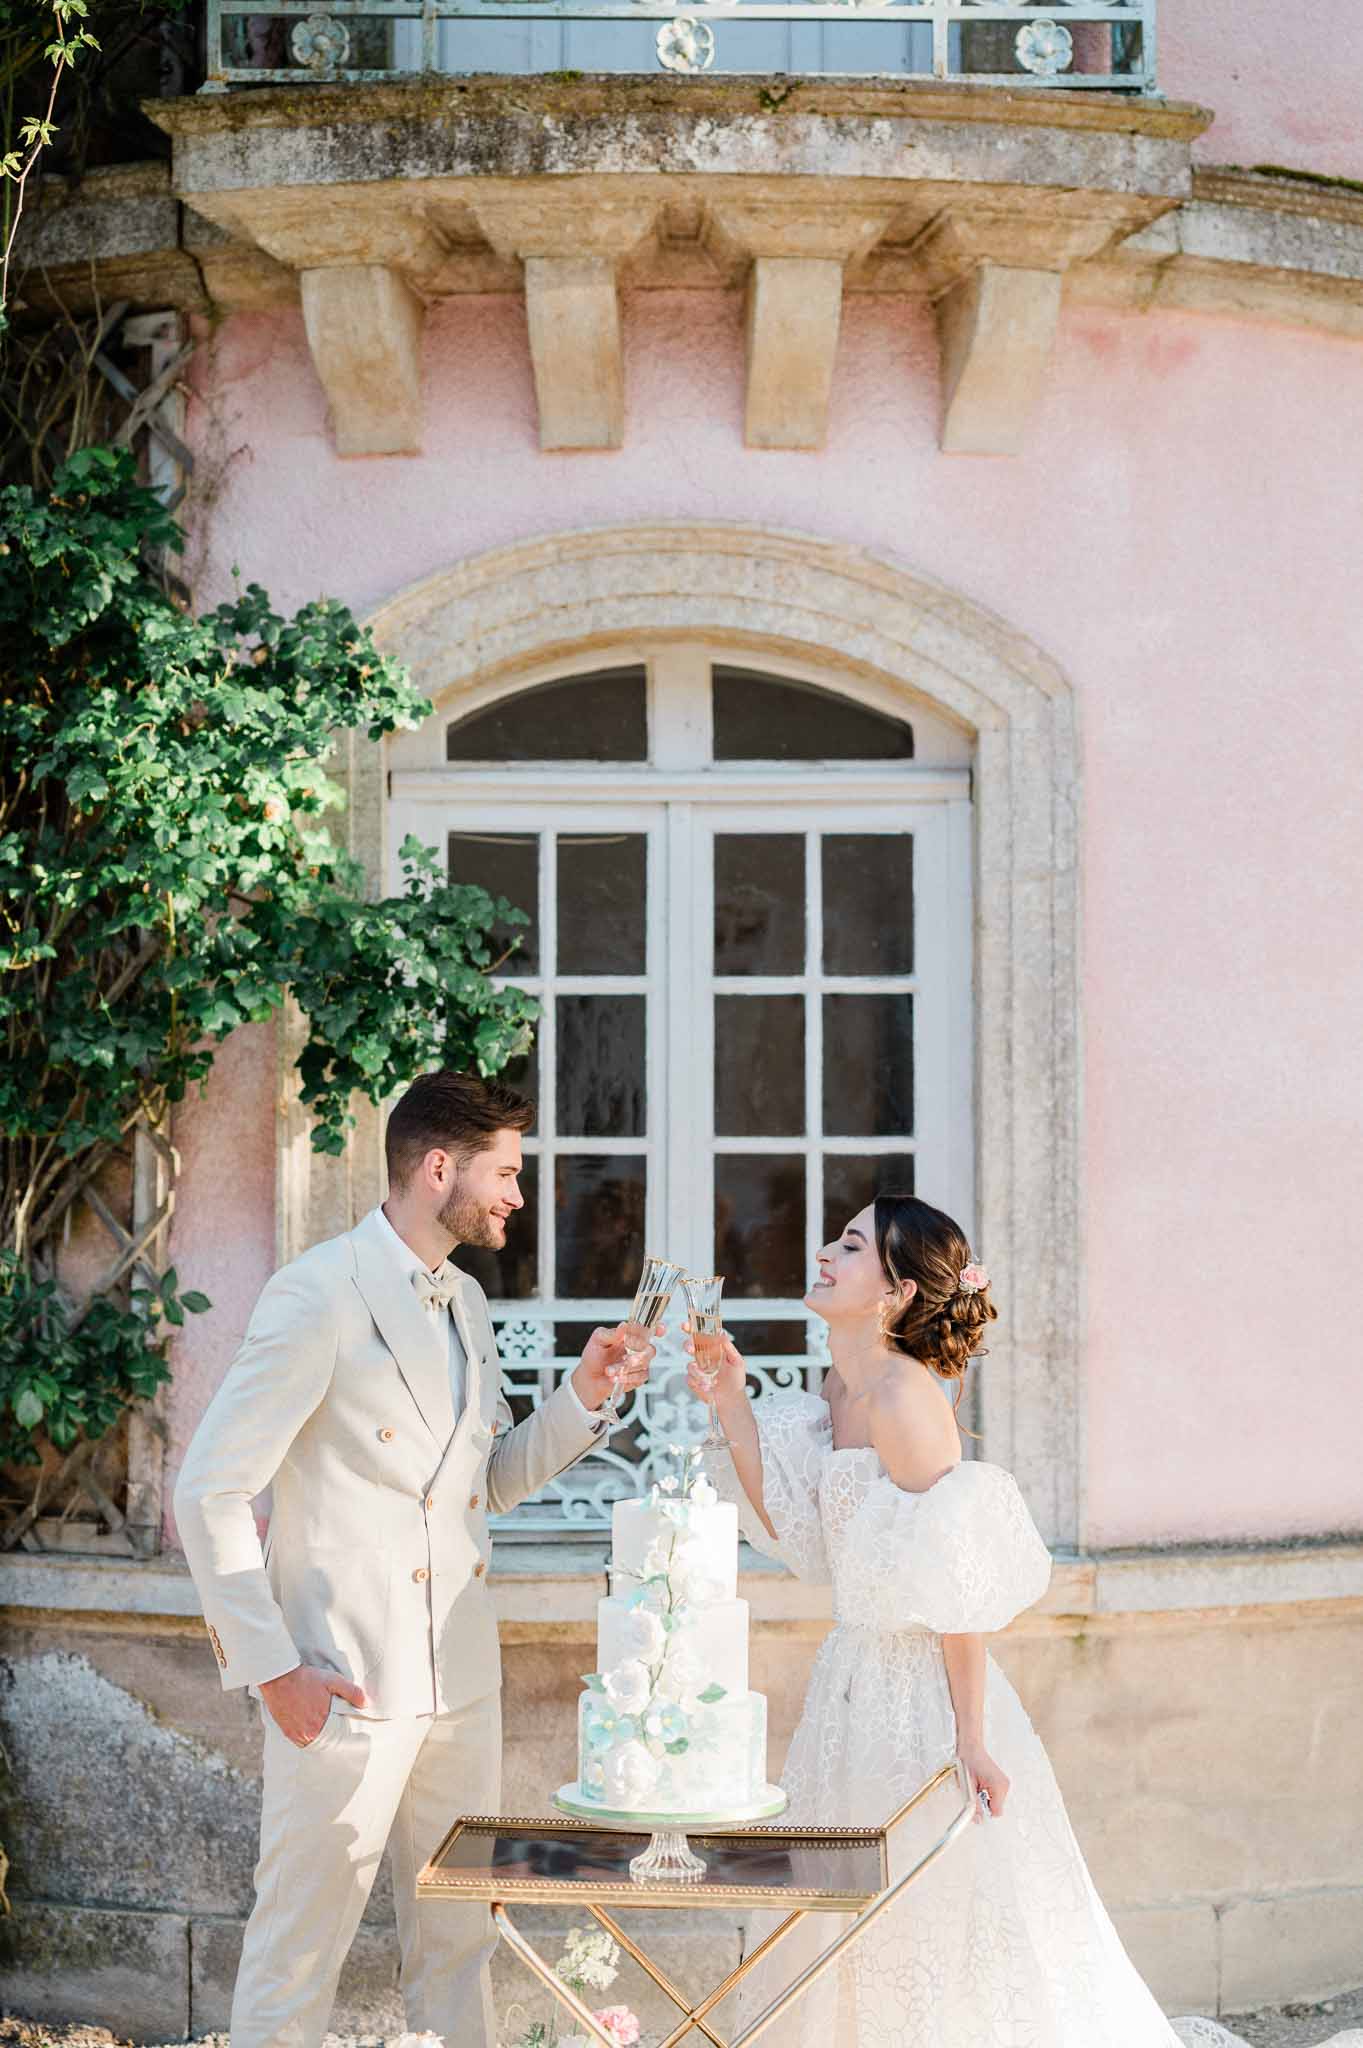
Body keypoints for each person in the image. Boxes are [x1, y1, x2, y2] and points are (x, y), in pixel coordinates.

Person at [689, 1192, 1354, 2048]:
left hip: (924, 1699)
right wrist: (730, 1402)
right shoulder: (839, 1388)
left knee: (937, 1908)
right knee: (842, 1914)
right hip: (849, 1686)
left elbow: (954, 1588)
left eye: (851, 1245)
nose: (825, 1251)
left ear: (893, 1291)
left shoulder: (903, 1399)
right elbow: (803, 1533)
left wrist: (970, 1738)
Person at [174, 1070, 657, 2048]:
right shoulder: (316, 1295)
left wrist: (580, 1395)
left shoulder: (468, 1300)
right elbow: (210, 1490)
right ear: (438, 1166)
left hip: (460, 1689)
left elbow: (483, 1481)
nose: (519, 1195)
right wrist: (275, 1671)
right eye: (507, 1171)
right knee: (296, 1954)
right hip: (343, 1693)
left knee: (459, 1946)